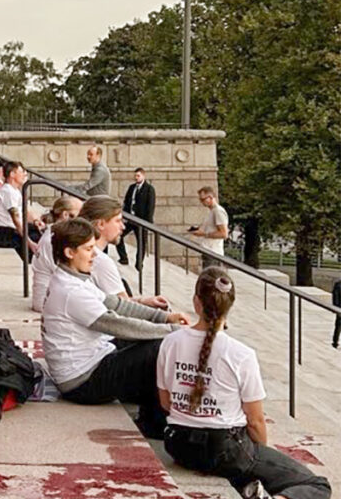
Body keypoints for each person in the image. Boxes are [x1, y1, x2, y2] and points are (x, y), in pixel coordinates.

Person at [158, 267, 332, 499]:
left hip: (178, 445)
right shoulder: (241, 354)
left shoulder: (170, 342)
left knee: (249, 466)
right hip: (225, 450)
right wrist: (260, 452)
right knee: (318, 485)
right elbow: (255, 421)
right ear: (229, 305)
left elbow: (165, 402)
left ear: (196, 301)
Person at [42, 218, 190, 438]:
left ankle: (150, 402)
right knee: (159, 347)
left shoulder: (76, 278)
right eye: (88, 249)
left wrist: (165, 317)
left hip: (90, 362)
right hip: (81, 382)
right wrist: (173, 332)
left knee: (147, 343)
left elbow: (117, 305)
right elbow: (118, 325)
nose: (94, 255)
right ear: (69, 252)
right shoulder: (71, 291)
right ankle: (153, 422)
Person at [79, 195, 169, 310]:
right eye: (118, 221)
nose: (123, 226)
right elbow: (125, 307)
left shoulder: (83, 252)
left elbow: (117, 301)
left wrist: (142, 300)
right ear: (101, 224)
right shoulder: (100, 260)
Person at [30, 196, 82, 312]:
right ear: (66, 215)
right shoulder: (53, 239)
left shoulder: (54, 234)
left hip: (49, 297)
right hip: (46, 301)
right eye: (80, 213)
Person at [0, 161, 40, 261]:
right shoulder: (8, 191)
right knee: (34, 237)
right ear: (12, 174)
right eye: (22, 172)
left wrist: (37, 221)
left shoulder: (15, 190)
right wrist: (29, 243)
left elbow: (25, 211)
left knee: (36, 230)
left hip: (9, 231)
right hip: (4, 234)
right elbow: (15, 219)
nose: (25, 174)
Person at [116, 167, 156, 269]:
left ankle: (139, 263)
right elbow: (126, 201)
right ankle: (123, 257)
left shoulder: (149, 189)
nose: (136, 178)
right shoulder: (132, 187)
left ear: (143, 176)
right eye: (135, 176)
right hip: (130, 219)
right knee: (118, 235)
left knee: (141, 243)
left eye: (138, 176)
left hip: (141, 221)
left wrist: (147, 222)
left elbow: (150, 207)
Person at [191, 186, 229, 269]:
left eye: (203, 199)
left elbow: (224, 234)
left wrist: (204, 234)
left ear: (210, 197)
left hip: (213, 253)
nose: (201, 202)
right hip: (209, 252)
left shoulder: (218, 211)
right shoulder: (213, 211)